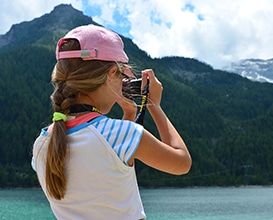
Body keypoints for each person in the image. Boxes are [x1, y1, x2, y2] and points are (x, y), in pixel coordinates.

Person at [31, 24, 191, 220]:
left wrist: (129, 116)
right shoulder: (122, 134)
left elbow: (103, 162)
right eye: (122, 76)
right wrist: (153, 105)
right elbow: (182, 163)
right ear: (111, 73)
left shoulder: (42, 142)